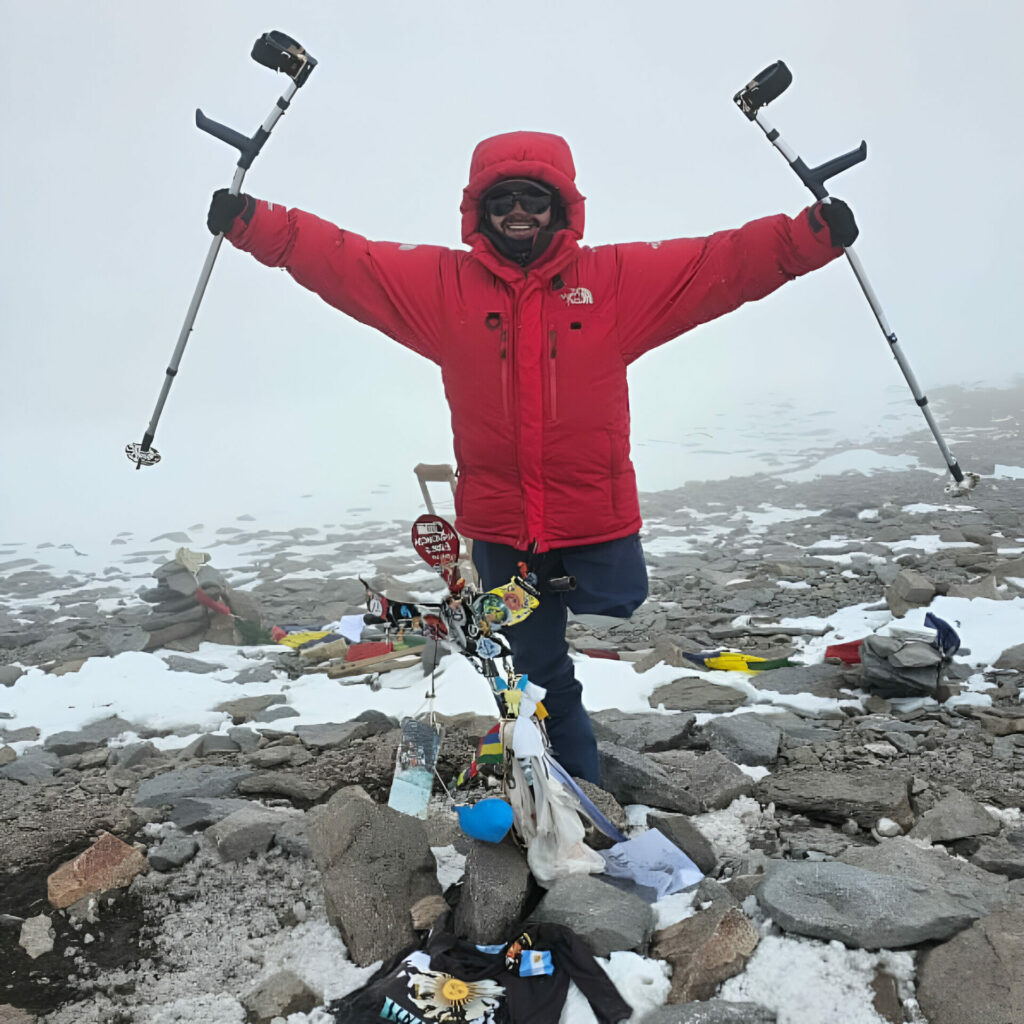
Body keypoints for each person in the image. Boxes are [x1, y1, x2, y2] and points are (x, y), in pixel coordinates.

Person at [208, 130, 857, 784]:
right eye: (502, 199)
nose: (518, 211)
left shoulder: (612, 282)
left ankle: (558, 662)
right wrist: (257, 225)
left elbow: (719, 263)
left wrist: (806, 239)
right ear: (480, 212)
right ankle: (571, 786)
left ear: (561, 208)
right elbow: (348, 261)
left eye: (535, 199)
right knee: (535, 673)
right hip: (501, 530)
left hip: (594, 520)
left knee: (622, 604)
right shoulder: (445, 289)